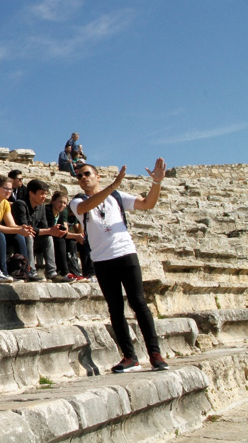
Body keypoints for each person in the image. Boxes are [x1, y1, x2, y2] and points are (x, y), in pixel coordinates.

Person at [70, 159, 170, 373]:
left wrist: (157, 183)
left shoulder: (117, 197)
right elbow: (88, 206)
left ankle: (155, 353)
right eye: (79, 176)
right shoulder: (77, 201)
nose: (83, 178)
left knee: (139, 303)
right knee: (115, 309)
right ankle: (129, 356)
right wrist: (113, 186)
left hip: (125, 254)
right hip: (102, 260)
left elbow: (147, 204)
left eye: (87, 173)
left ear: (97, 176)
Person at [11, 179, 71, 282]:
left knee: (48, 238)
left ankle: (52, 273)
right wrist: (49, 230)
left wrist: (52, 231)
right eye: (41, 194)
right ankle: (30, 271)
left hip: (34, 237)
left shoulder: (41, 207)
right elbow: (24, 227)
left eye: (45, 194)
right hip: (18, 238)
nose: (44, 197)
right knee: (29, 235)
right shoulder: (20, 204)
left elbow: (44, 226)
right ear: (31, 193)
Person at [46, 191, 87, 282]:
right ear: (52, 201)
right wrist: (76, 236)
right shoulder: (47, 210)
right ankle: (63, 272)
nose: (62, 205)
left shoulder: (60, 213)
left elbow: (65, 231)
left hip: (55, 236)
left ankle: (81, 273)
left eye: (64, 203)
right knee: (60, 240)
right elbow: (61, 232)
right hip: (44, 237)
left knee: (74, 242)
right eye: (60, 202)